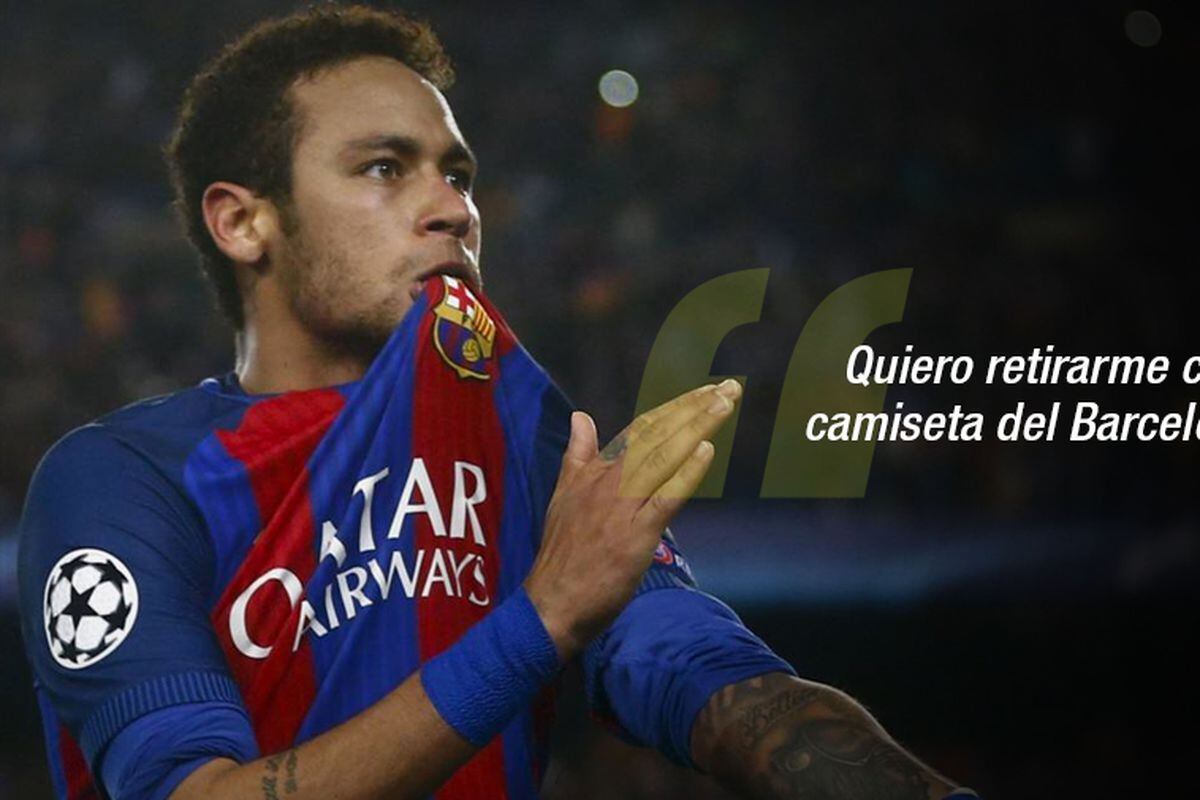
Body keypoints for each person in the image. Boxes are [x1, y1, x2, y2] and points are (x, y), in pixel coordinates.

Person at [18, 6, 978, 799]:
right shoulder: (123, 480)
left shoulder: (519, 439)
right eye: (384, 167)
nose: (454, 208)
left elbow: (714, 682)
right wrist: (541, 617)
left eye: (458, 174)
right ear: (242, 221)